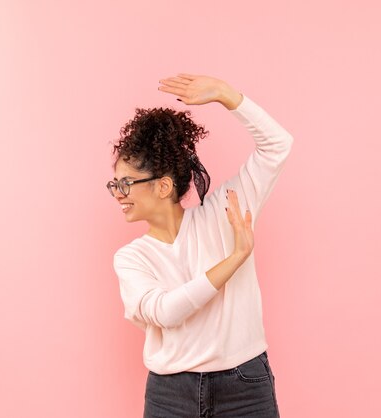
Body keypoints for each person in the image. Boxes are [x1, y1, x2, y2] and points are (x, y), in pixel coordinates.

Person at [109, 73, 293, 417]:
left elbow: (277, 145)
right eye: (114, 184)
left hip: (244, 387)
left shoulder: (225, 211)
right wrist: (236, 257)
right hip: (170, 395)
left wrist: (227, 95)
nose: (118, 194)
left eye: (125, 183)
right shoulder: (132, 258)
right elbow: (165, 312)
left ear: (162, 187)